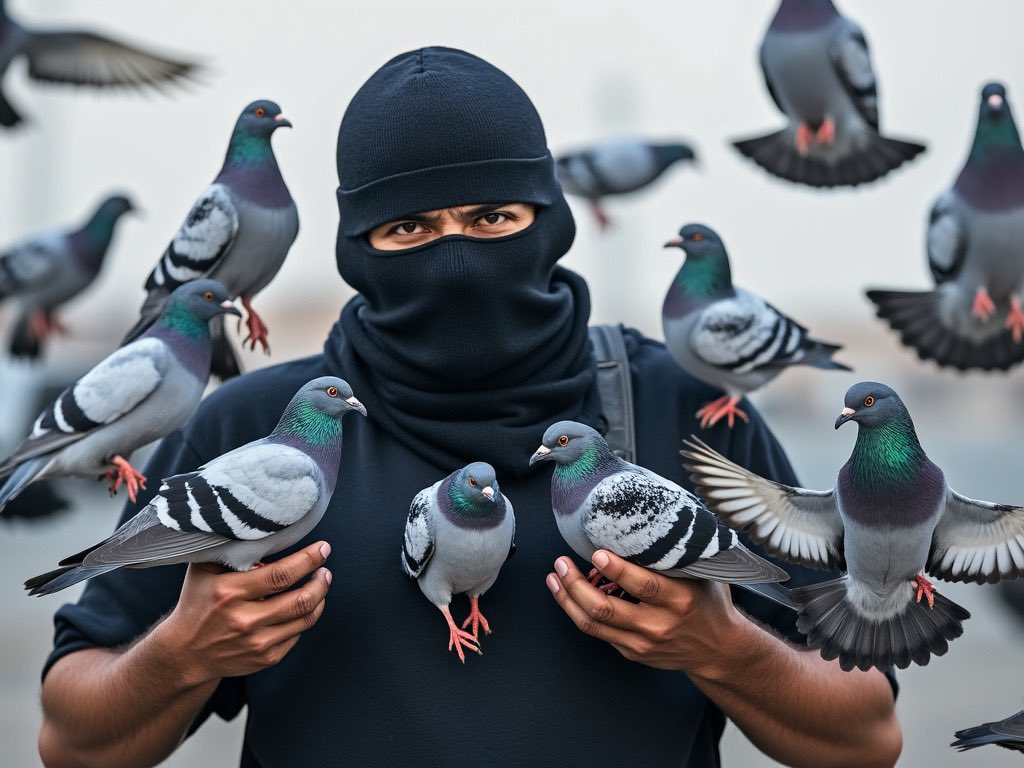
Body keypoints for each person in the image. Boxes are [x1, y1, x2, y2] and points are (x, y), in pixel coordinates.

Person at [36, 47, 902, 767]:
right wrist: (183, 653)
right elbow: (69, 739)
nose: (454, 255)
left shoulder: (687, 414)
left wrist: (723, 646)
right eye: (409, 228)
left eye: (491, 216)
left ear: (550, 217)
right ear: (356, 248)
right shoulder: (248, 428)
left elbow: (867, 733)